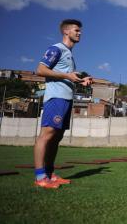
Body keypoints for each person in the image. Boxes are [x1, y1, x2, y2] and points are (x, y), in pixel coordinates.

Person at [34, 19, 92, 188]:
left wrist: (80, 81)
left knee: (57, 137)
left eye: (80, 31)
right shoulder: (56, 49)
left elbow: (66, 76)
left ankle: (50, 174)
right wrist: (68, 76)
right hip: (56, 98)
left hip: (66, 99)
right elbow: (40, 70)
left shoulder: (69, 55)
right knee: (47, 135)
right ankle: (40, 177)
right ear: (66, 31)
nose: (79, 33)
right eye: (76, 30)